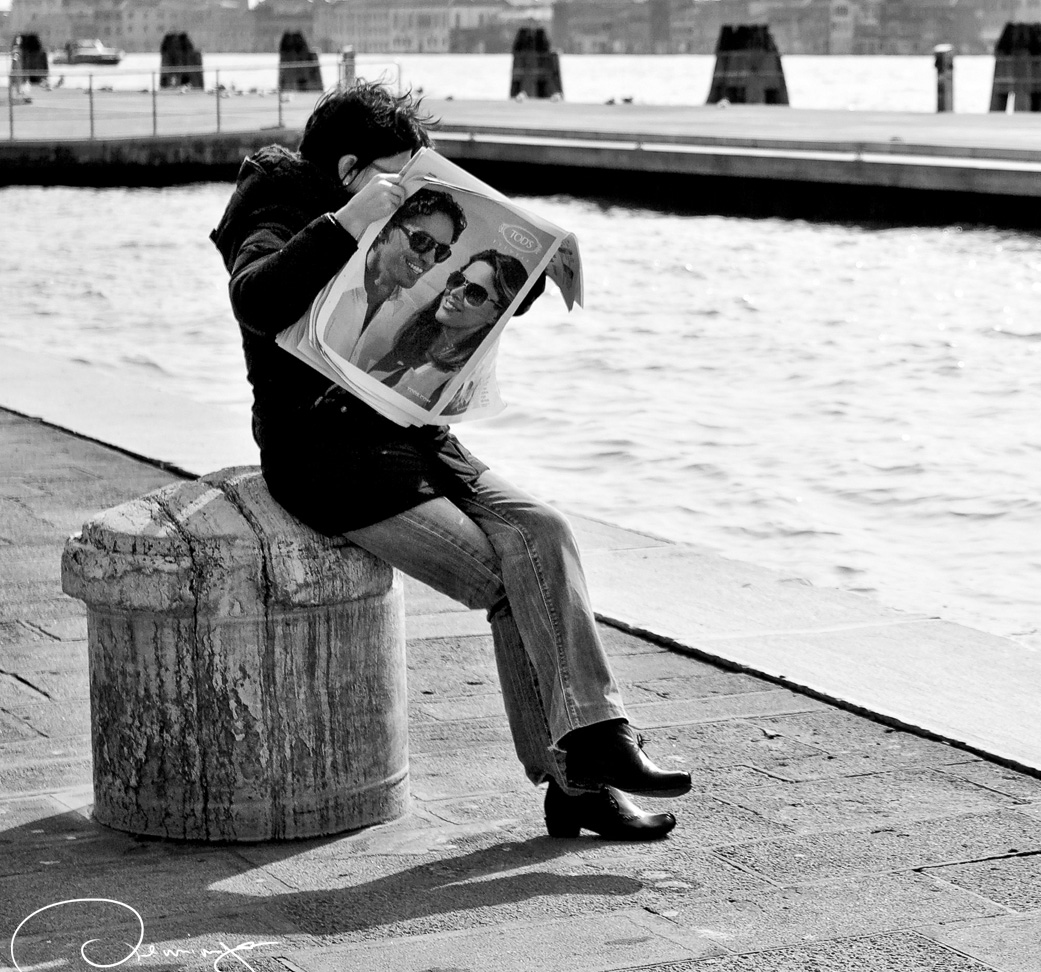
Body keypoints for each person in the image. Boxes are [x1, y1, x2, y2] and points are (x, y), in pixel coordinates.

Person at [209, 81, 690, 841]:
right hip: (330, 460)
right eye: (398, 179)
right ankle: (580, 784)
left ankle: (599, 739)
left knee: (544, 528)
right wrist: (347, 223)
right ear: (347, 170)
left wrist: (538, 263)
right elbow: (257, 301)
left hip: (415, 438)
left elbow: (461, 297)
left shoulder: (402, 216)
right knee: (507, 579)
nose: (413, 199)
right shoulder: (273, 209)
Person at [368, 249, 541, 410]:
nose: (455, 292)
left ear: (497, 316)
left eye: (475, 293)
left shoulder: (457, 379)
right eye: (458, 280)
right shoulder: (419, 341)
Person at [321, 188, 467, 367]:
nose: (429, 260)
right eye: (422, 241)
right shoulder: (325, 278)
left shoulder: (411, 323)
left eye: (441, 251)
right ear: (385, 227)